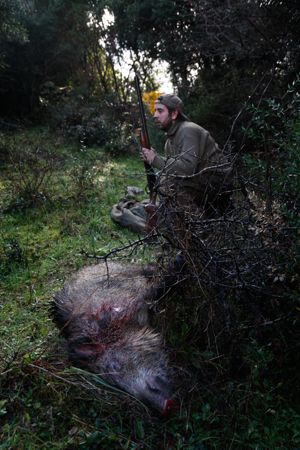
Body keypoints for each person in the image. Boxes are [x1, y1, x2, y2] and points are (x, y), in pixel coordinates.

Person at [140, 94, 232, 215]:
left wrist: (155, 159)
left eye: (160, 111)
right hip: (201, 181)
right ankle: (183, 219)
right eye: (155, 111)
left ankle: (198, 226)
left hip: (218, 183)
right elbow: (174, 170)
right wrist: (153, 157)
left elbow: (187, 168)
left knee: (166, 184)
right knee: (162, 180)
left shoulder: (188, 130)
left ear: (174, 114)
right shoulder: (169, 141)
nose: (155, 115)